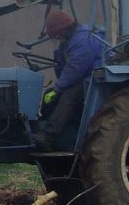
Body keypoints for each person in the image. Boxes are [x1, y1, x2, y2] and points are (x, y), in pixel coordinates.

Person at [34, 9, 107, 151]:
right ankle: (44, 130)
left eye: (57, 35)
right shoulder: (68, 41)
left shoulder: (83, 39)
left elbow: (76, 68)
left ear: (64, 30)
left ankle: (49, 136)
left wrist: (58, 88)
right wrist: (57, 52)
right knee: (50, 94)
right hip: (83, 77)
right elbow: (62, 69)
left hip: (94, 78)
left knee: (69, 96)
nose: (56, 38)